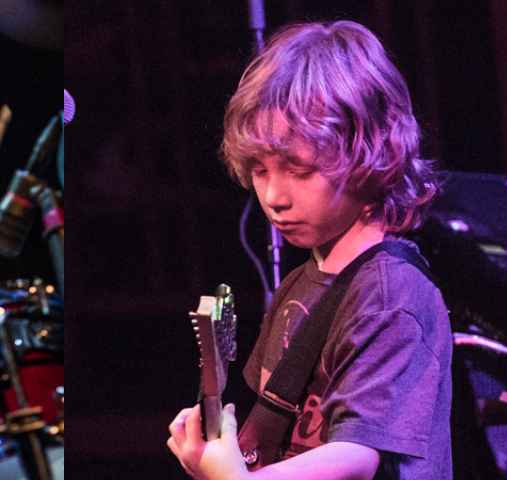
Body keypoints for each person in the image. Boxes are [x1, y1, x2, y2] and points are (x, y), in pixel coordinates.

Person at [165, 20, 449, 480]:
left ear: (368, 153)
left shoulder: (391, 294)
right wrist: (221, 460)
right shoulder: (303, 281)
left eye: (298, 170)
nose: (274, 196)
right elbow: (276, 433)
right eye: (260, 170)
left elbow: (355, 456)